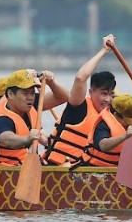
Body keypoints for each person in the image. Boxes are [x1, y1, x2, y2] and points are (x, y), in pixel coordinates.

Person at [43, 35, 119, 166]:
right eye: (103, 94)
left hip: (84, 173)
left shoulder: (112, 116)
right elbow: (80, 79)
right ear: (91, 92)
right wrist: (104, 51)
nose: (107, 99)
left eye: (111, 95)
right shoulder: (79, 107)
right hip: (55, 168)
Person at [0, 69, 63, 165]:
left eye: (32, 93)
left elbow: (63, 97)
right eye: (25, 93)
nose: (30, 97)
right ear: (11, 94)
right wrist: (27, 139)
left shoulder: (31, 103)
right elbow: (7, 139)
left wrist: (52, 83)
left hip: (26, 168)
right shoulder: (1, 118)